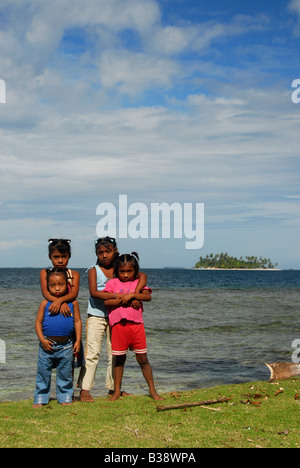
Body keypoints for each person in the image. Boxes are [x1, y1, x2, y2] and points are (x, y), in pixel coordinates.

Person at [77, 237, 148, 402]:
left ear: (115, 251)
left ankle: (113, 389)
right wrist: (121, 296)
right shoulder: (94, 270)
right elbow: (95, 293)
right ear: (96, 254)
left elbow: (142, 275)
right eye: (100, 252)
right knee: (92, 353)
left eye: (108, 251)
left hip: (116, 317)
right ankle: (85, 389)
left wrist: (135, 293)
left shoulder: (119, 268)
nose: (104, 255)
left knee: (114, 354)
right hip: (96, 315)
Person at [103, 252, 163, 402]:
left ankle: (152, 390)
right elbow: (107, 302)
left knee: (143, 358)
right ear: (117, 270)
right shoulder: (112, 283)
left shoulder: (138, 283)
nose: (125, 275)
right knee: (119, 359)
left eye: (129, 271)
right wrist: (125, 299)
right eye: (122, 271)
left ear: (135, 270)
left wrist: (134, 295)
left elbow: (147, 297)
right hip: (118, 326)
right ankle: (116, 391)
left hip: (136, 326)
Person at [33, 268, 82, 407]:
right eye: (52, 285)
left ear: (67, 285)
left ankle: (65, 397)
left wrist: (77, 340)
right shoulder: (44, 303)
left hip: (66, 345)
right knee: (43, 373)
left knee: (65, 374)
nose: (57, 288)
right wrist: (42, 340)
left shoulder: (73, 303)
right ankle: (40, 399)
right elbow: (38, 322)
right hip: (46, 345)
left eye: (60, 284)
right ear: (47, 287)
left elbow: (78, 321)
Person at [40, 239, 80, 316]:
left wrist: (60, 301)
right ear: (49, 256)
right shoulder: (45, 273)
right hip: (51, 310)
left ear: (69, 256)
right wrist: (60, 302)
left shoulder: (73, 274)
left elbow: (74, 294)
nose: (60, 260)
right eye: (56, 257)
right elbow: (45, 293)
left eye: (64, 256)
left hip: (68, 311)